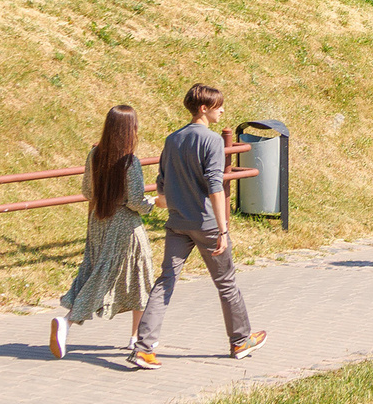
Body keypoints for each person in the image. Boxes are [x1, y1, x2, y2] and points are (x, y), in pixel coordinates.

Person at [132, 84, 263, 368]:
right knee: (226, 283)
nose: (223, 110)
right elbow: (216, 187)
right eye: (219, 106)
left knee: (165, 282)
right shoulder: (212, 141)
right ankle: (241, 340)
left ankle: (143, 347)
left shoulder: (172, 139)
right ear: (204, 108)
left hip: (177, 222)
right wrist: (223, 228)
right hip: (206, 225)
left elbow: (163, 190)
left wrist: (177, 199)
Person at [49, 105, 156, 360]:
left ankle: (132, 337)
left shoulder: (95, 154)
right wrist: (153, 202)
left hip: (98, 222)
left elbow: (88, 191)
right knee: (140, 277)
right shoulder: (130, 161)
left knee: (95, 273)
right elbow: (137, 202)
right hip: (125, 227)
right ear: (130, 129)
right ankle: (71, 323)